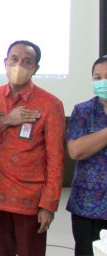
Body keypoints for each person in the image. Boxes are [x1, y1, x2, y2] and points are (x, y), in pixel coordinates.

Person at [0, 40, 64, 256]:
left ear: (36, 68)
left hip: (30, 199)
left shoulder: (51, 104)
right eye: (14, 59)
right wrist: (6, 121)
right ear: (5, 62)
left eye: (27, 62)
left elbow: (56, 159)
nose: (19, 65)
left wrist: (49, 205)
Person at [68, 55, 107, 255]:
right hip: (87, 205)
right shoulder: (83, 111)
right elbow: (76, 150)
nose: (102, 82)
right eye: (97, 77)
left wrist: (95, 140)